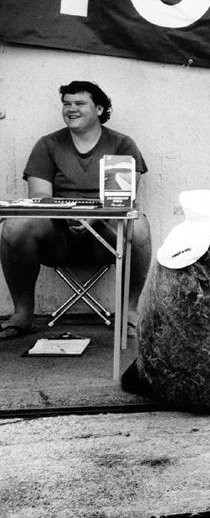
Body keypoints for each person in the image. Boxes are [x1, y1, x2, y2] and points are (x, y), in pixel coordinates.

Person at [0, 81, 151, 339]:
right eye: (66, 104)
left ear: (99, 109)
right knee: (14, 226)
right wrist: (69, 214)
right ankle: (22, 314)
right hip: (57, 237)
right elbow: (39, 197)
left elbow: (123, 199)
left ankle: (129, 312)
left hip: (105, 239)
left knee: (138, 227)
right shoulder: (48, 144)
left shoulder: (121, 144)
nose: (71, 109)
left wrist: (91, 218)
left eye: (80, 103)